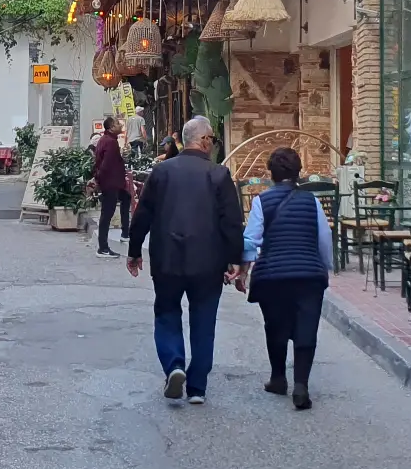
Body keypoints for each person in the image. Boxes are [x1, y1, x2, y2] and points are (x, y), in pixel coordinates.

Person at [127, 116, 242, 404]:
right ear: (204, 140)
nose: (213, 144)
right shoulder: (219, 175)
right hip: (208, 262)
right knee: (204, 320)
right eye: (212, 139)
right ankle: (197, 387)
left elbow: (143, 214)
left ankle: (174, 365)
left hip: (167, 259)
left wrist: (134, 250)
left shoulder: (161, 171)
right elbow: (231, 221)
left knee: (166, 313)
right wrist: (235, 259)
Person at [238, 146, 332, 411]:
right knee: (307, 328)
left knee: (275, 326)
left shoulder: (262, 201)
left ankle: (278, 379)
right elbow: (324, 238)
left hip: (272, 275)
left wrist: (243, 268)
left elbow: (251, 239)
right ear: (298, 172)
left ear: (271, 173)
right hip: (308, 275)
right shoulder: (311, 202)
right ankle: (301, 384)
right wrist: (325, 266)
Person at [92, 115, 131, 256]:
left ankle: (125, 233)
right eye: (117, 123)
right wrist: (98, 179)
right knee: (107, 214)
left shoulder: (106, 140)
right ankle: (103, 248)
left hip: (113, 182)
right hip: (110, 183)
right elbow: (106, 164)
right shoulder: (110, 142)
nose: (121, 125)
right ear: (111, 127)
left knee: (126, 198)